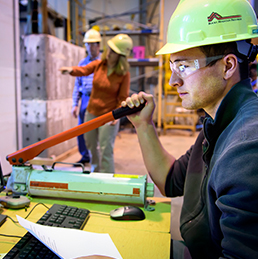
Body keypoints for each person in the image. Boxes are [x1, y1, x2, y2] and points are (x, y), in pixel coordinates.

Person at [120, 0, 258, 258]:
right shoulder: (218, 126)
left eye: (184, 66)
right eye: (173, 66)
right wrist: (143, 125)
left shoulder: (247, 148)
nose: (173, 80)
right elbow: (172, 180)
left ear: (228, 66)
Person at [60, 34, 133, 173]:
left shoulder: (123, 74)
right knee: (91, 146)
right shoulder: (99, 65)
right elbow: (84, 70)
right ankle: (96, 173)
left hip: (109, 116)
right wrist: (71, 70)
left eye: (114, 52)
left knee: (106, 149)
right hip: (92, 112)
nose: (109, 53)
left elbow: (122, 98)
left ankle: (107, 181)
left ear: (121, 56)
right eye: (110, 49)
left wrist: (115, 116)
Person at [72, 29, 101, 165]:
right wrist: (75, 104)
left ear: (98, 45)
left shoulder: (103, 64)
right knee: (81, 129)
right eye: (87, 44)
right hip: (85, 99)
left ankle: (97, 156)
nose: (90, 47)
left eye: (92, 44)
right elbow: (77, 85)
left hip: (99, 99)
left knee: (98, 130)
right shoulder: (82, 63)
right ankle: (85, 156)